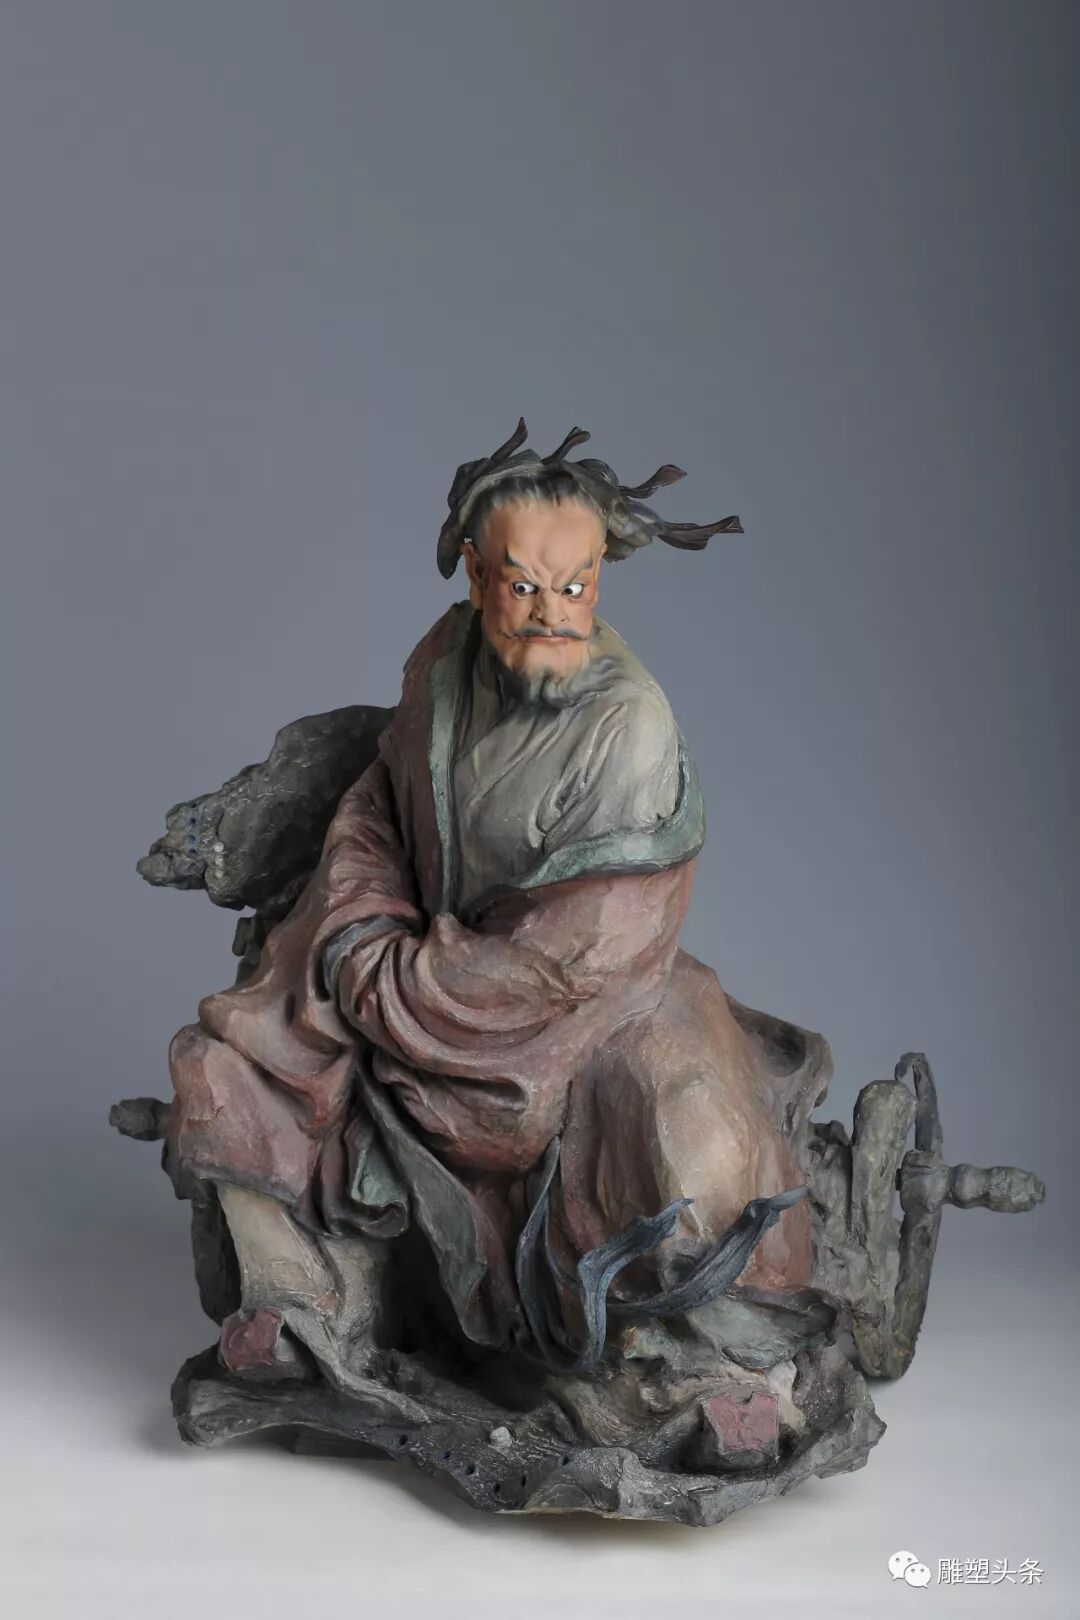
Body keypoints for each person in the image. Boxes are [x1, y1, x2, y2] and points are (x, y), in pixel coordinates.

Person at [165, 420, 824, 1389]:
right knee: (227, 1056)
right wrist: (360, 935)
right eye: (523, 587)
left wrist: (399, 986)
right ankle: (295, 1293)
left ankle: (711, 1365)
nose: (553, 615)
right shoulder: (443, 665)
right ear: (476, 577)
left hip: (572, 1014)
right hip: (402, 954)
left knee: (683, 1141)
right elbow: (378, 808)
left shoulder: (629, 731)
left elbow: (582, 951)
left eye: (576, 588)